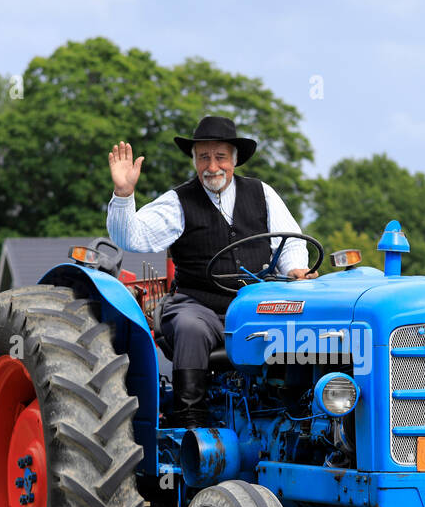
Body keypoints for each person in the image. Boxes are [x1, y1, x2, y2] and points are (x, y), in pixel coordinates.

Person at [106, 115, 314, 426]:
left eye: (220, 157)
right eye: (204, 157)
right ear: (194, 161)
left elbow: (290, 243)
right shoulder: (179, 201)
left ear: (234, 159)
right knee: (190, 326)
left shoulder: (262, 194)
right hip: (199, 306)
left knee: (311, 318)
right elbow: (131, 237)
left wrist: (296, 269)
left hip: (256, 308)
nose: (212, 166)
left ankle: (303, 414)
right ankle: (192, 422)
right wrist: (124, 194)